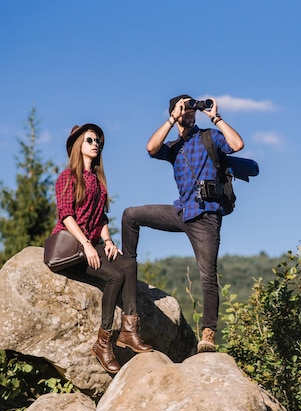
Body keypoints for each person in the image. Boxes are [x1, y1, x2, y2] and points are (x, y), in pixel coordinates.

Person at [122, 95, 245, 353]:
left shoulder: (209, 137)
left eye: (192, 107)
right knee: (131, 214)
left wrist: (215, 117)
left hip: (207, 216)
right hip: (182, 211)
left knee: (207, 275)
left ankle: (208, 334)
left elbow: (237, 144)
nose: (190, 110)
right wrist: (171, 119)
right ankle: (126, 267)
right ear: (175, 112)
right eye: (185, 106)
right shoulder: (173, 147)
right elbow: (150, 148)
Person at [51, 123, 153, 374]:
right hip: (73, 247)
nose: (95, 144)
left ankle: (129, 331)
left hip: (93, 244)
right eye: (89, 140)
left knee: (128, 263)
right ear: (78, 145)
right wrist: (86, 244)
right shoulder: (68, 177)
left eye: (98, 141)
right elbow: (66, 215)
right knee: (115, 275)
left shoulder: (97, 181)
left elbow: (101, 218)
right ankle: (103, 342)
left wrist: (107, 241)